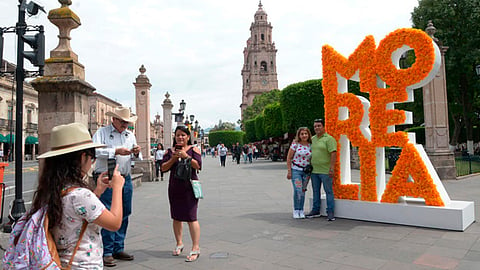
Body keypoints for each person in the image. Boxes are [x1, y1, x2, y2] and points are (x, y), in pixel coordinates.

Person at [33, 122, 125, 269]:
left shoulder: (53, 189)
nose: (92, 162)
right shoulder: (81, 195)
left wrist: (98, 191)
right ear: (82, 157)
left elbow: (78, 213)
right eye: (92, 157)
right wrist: (118, 187)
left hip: (61, 262)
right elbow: (114, 223)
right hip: (85, 265)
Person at [92, 106, 142, 267]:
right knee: (108, 212)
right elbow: (95, 151)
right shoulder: (101, 133)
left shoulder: (130, 135)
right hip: (107, 177)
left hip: (124, 177)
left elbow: (138, 157)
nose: (125, 125)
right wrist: (115, 151)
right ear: (113, 119)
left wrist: (136, 152)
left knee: (125, 212)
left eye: (127, 122)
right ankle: (107, 251)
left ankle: (118, 247)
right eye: (122, 121)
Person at [161, 126, 202, 262]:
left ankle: (195, 247)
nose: (180, 137)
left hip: (189, 187)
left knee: (191, 217)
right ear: (175, 136)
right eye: (178, 135)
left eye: (183, 135)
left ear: (188, 137)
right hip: (174, 187)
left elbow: (198, 166)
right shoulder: (169, 151)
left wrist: (187, 157)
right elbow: (163, 168)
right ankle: (179, 243)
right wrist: (173, 158)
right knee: (176, 217)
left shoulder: (194, 150)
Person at [305, 119, 337, 221]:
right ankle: (315, 210)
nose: (317, 128)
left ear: (323, 127)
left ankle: (330, 212)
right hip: (314, 171)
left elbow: (333, 153)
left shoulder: (329, 139)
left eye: (319, 126)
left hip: (326, 171)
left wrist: (332, 168)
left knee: (328, 191)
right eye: (315, 126)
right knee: (315, 191)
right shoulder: (312, 139)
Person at [286, 127, 312, 219]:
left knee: (303, 191)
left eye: (306, 134)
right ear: (299, 135)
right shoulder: (295, 144)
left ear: (308, 135)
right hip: (296, 170)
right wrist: (289, 171)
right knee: (298, 190)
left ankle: (301, 210)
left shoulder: (311, 145)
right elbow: (289, 158)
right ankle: (296, 209)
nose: (304, 135)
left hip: (306, 172)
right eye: (302, 134)